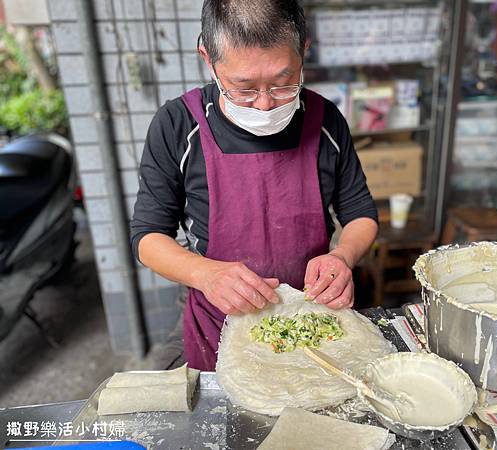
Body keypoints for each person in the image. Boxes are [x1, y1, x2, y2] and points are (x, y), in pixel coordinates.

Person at [130, 0, 378, 371]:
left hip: (314, 322)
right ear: (208, 59)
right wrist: (206, 274)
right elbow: (148, 237)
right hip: (221, 327)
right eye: (243, 88)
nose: (264, 105)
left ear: (304, 51)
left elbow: (360, 213)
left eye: (283, 84)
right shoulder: (178, 126)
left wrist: (342, 258)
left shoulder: (326, 120)